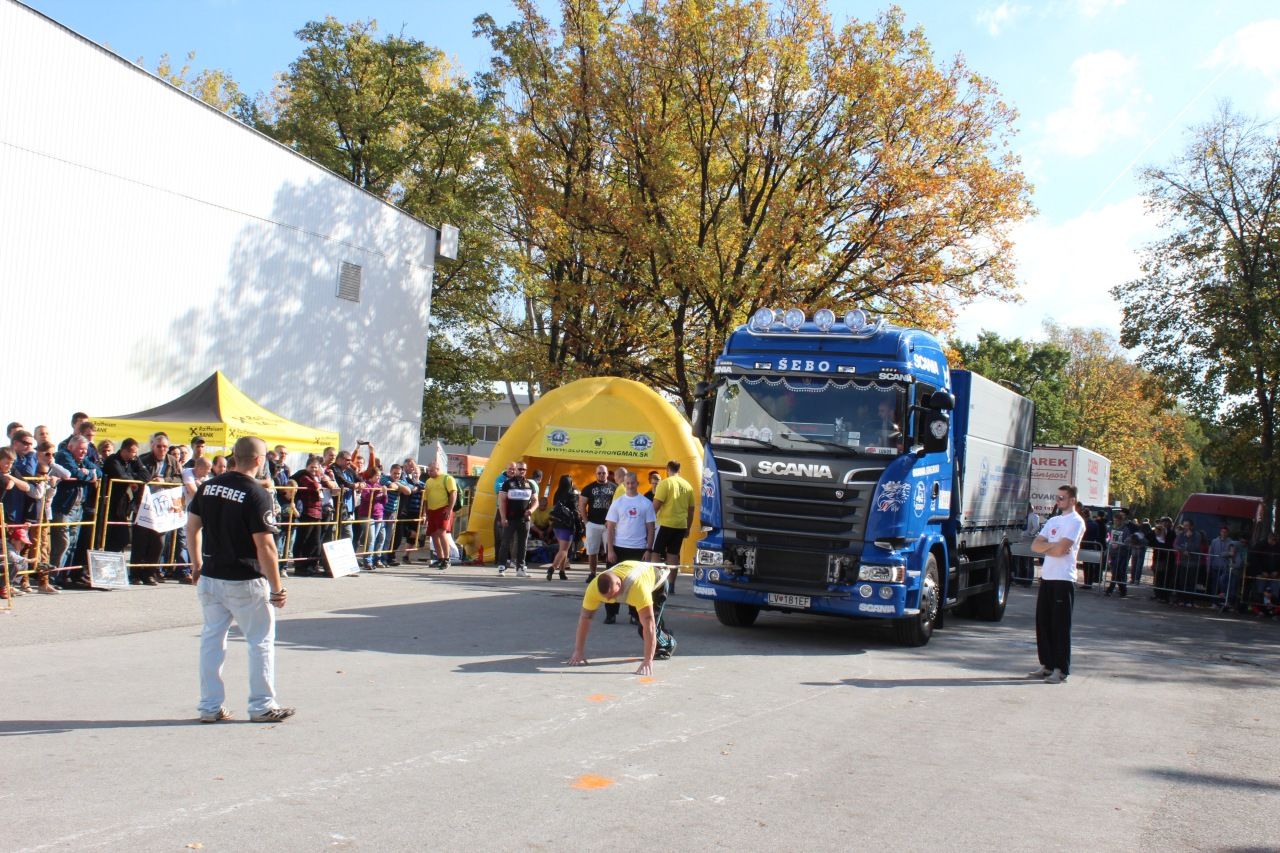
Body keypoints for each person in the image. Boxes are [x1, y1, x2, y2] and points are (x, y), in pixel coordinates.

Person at [187, 437, 294, 723]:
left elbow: (192, 526)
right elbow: (266, 546)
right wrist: (277, 588)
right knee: (259, 641)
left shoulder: (209, 486)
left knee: (212, 639)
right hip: (245, 578)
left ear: (235, 456)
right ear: (259, 461)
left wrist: (196, 563)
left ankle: (209, 706)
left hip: (211, 574)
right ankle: (261, 705)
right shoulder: (256, 493)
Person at [565, 560, 672, 676]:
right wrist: (578, 651)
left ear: (619, 584)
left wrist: (647, 660)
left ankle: (669, 643)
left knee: (646, 626)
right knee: (647, 624)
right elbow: (585, 618)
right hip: (633, 575)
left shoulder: (637, 587)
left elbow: (649, 623)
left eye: (613, 595)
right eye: (606, 598)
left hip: (657, 585)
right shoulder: (593, 589)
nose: (611, 600)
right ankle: (660, 632)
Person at [1028, 484, 1086, 684]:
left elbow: (1063, 550)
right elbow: (1035, 544)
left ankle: (1061, 669)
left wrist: (1051, 547)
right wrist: (1053, 546)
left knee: (1060, 625)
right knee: (1043, 622)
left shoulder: (1076, 521)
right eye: (1057, 497)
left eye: (1062, 498)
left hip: (1063, 578)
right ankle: (1047, 664)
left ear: (1072, 500)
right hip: (1048, 576)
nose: (1058, 501)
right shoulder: (1053, 520)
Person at [605, 472, 656, 624]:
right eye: (627, 483)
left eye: (632, 483)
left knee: (636, 585)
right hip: (618, 548)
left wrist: (649, 550)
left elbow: (651, 528)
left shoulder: (645, 503)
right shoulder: (618, 503)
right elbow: (610, 528)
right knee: (612, 582)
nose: (630, 486)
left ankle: (634, 614)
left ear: (637, 483)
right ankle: (611, 614)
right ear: (624, 484)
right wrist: (610, 550)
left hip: (639, 550)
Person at [650, 460, 694, 592]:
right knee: (673, 554)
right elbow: (691, 510)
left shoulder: (665, 483)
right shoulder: (688, 485)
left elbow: (656, 505)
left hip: (664, 523)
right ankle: (672, 585)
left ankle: (655, 582)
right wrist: (688, 527)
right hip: (680, 525)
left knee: (656, 552)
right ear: (679, 470)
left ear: (667, 469)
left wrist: (648, 523)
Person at [498, 461, 537, 577]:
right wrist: (503, 517)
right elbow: (502, 501)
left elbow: (536, 501)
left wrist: (531, 510)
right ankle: (502, 566)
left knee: (522, 543)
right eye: (519, 469)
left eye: (523, 469)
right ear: (515, 470)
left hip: (524, 519)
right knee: (505, 542)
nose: (521, 471)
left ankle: (520, 568)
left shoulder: (530, 484)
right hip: (510, 518)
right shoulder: (508, 483)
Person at [579, 465, 615, 584]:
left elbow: (618, 506)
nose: (601, 475)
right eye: (599, 473)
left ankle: (610, 575)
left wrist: (612, 521)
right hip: (593, 523)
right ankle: (592, 574)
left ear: (607, 474)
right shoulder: (589, 488)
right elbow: (582, 505)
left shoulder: (614, 487)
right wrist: (586, 522)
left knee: (610, 550)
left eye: (603, 473)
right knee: (592, 550)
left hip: (608, 525)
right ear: (595, 474)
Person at [423, 461, 458, 570]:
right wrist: (426, 513)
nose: (429, 472)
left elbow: (453, 493)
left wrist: (450, 509)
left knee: (442, 533)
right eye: (428, 471)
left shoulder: (447, 478)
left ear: (438, 469)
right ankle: (440, 558)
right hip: (432, 510)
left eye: (432, 470)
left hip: (443, 509)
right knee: (433, 534)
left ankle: (447, 559)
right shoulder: (428, 481)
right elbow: (426, 499)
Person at [547, 474, 579, 581]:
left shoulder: (557, 493)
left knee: (563, 548)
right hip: (567, 525)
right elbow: (575, 510)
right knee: (564, 550)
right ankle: (552, 568)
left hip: (557, 525)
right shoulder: (571, 494)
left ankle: (562, 572)